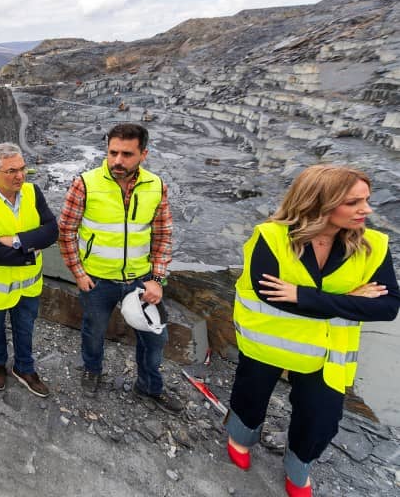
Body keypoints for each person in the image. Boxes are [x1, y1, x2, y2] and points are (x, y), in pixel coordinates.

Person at [225, 165, 399, 497]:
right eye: (353, 202)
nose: (366, 210)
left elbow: (387, 307)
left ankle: (298, 467)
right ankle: (241, 436)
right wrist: (349, 300)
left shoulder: (374, 245)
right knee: (250, 395)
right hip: (268, 342)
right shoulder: (271, 237)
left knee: (322, 418)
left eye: (367, 200)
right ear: (318, 202)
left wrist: (303, 296)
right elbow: (270, 295)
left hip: (328, 352)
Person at [58, 123, 183, 413]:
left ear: (143, 154)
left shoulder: (156, 186)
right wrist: (78, 273)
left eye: (127, 154)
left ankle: (149, 386)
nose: (117, 160)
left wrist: (157, 279)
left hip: (141, 279)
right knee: (94, 330)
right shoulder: (85, 183)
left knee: (155, 338)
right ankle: (92, 369)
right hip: (97, 280)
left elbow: (163, 235)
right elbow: (66, 231)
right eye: (113, 152)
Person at [0, 142, 58, 397]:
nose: (20, 176)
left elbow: (52, 231)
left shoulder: (33, 192)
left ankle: (24, 368)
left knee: (25, 327)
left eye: (22, 169)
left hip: (27, 285)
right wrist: (31, 251)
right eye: (11, 171)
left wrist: (17, 241)